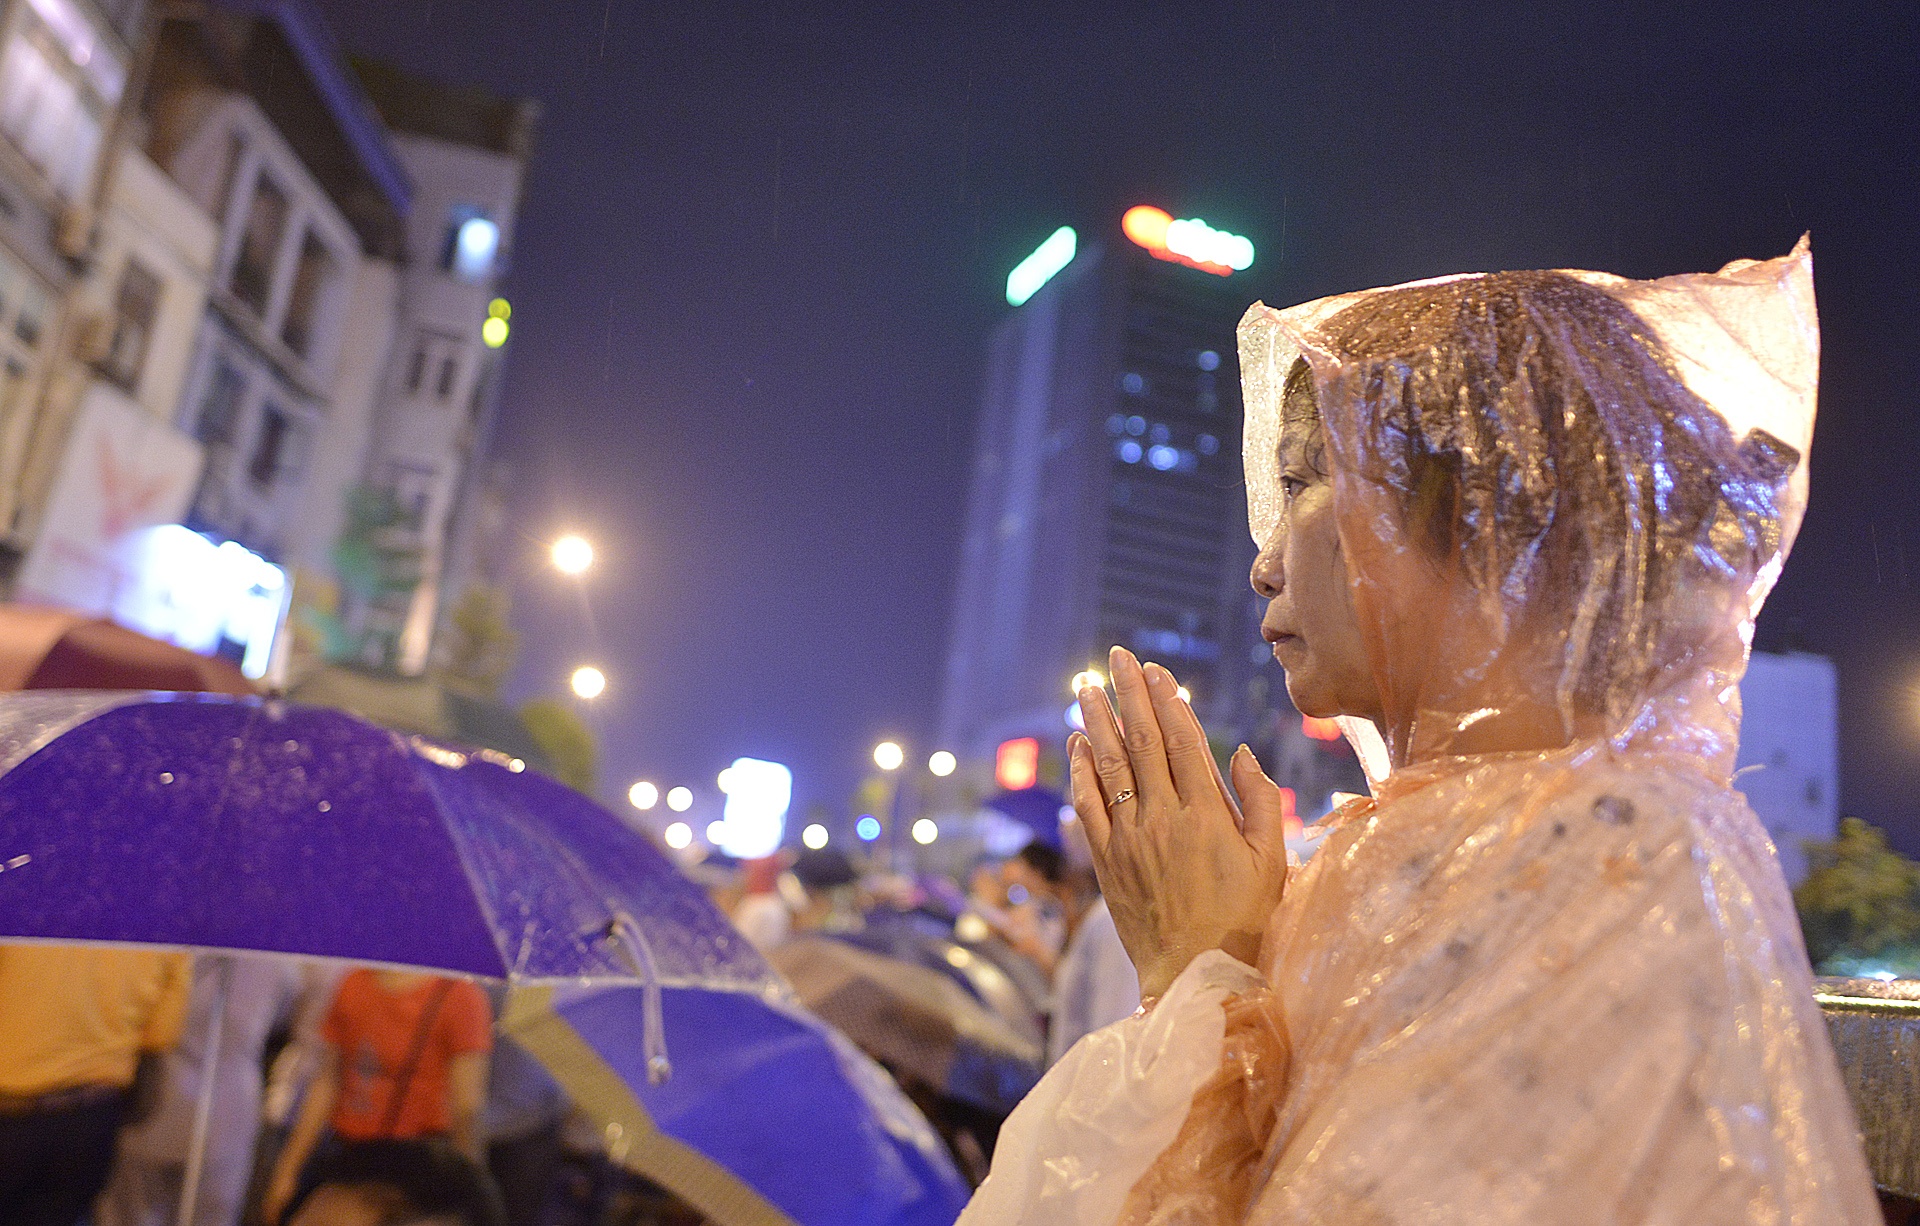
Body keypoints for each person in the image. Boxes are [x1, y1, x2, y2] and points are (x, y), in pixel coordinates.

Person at [962, 241, 1880, 1221]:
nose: (1264, 564)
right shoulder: (1445, 835)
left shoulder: (1620, 855)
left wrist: (1193, 974)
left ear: (1487, 517)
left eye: (1310, 480)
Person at [97, 955, 332, 1226]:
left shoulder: (164, 952)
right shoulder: (279, 965)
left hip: (159, 1109)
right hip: (216, 1117)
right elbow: (290, 1021)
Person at [263, 968, 500, 1226]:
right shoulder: (353, 983)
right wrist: (288, 1170)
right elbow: (327, 1082)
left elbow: (467, 1108)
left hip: (413, 1174)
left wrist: (469, 1196)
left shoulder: (461, 997)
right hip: (350, 1159)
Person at [0, 942, 191, 1226]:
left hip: (11, 1110)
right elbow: (161, 1034)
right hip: (91, 1120)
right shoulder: (164, 924)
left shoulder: (22, 902)